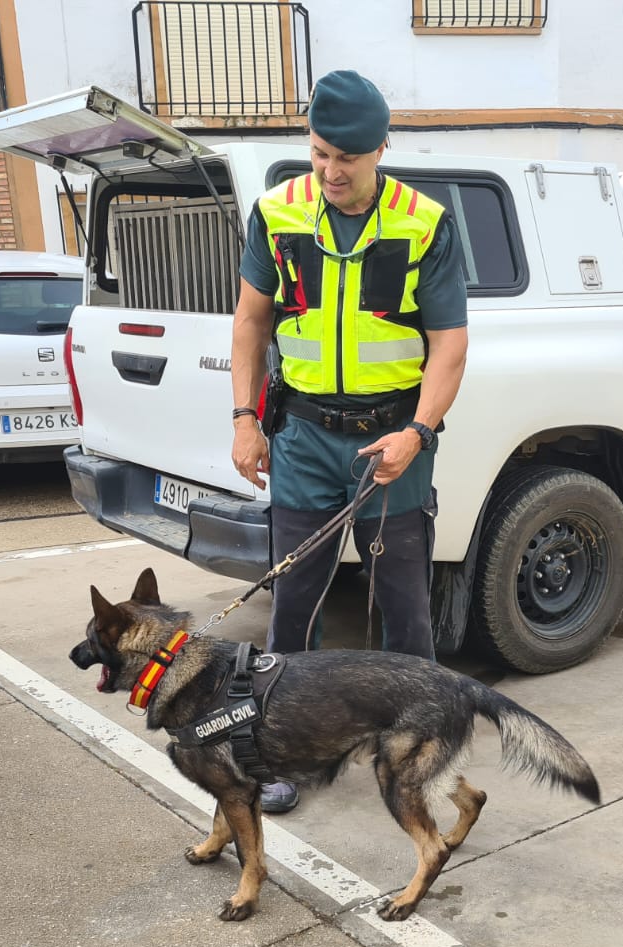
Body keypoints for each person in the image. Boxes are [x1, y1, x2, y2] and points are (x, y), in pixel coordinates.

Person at [228, 69, 469, 812]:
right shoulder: (277, 212)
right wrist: (244, 417)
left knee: (405, 612)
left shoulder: (423, 221)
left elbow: (449, 345)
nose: (331, 172)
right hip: (301, 437)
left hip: (390, 444)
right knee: (292, 602)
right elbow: (251, 322)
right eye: (320, 153)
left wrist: (418, 434)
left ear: (381, 150)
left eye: (348, 159)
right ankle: (276, 754)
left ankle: (425, 756)